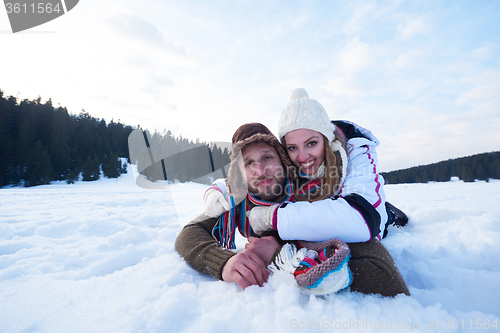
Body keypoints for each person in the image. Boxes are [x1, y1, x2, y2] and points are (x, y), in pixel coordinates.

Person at [177, 121, 409, 296]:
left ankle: (387, 212)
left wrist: (283, 258)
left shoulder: (312, 195)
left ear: (283, 161)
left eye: (267, 157)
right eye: (248, 163)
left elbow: (386, 278)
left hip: (369, 218)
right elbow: (190, 233)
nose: (260, 170)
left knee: (383, 222)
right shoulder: (237, 202)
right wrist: (223, 261)